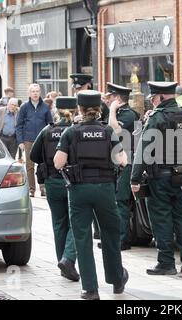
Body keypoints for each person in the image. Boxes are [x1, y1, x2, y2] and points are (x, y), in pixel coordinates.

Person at [53, 90, 129, 300]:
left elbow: (58, 163)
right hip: (105, 189)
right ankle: (116, 280)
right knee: (110, 235)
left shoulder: (71, 132)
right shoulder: (107, 131)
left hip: (78, 191)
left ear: (79, 108)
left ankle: (90, 289)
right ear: (98, 109)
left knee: (82, 238)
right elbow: (122, 160)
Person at [130, 81, 182, 276]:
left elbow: (144, 150)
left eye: (153, 98)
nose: (152, 102)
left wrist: (134, 179)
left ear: (160, 97)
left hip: (160, 178)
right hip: (181, 176)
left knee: (161, 219)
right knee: (181, 219)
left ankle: (166, 263)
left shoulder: (157, 118)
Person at [30, 96, 79, 282]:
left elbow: (34, 155)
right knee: (77, 222)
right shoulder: (75, 130)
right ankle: (68, 259)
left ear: (56, 111)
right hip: (73, 183)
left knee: (59, 224)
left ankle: (63, 263)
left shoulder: (47, 130)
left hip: (52, 182)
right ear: (75, 111)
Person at [107, 82, 140, 251]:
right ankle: (116, 237)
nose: (108, 99)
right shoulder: (119, 112)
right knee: (116, 201)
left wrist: (112, 110)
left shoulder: (127, 115)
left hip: (127, 163)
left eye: (111, 97)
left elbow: (116, 130)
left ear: (118, 99)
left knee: (121, 201)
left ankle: (123, 239)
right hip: (118, 161)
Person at [16, 83, 53, 198]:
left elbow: (50, 125)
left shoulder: (45, 107)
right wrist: (20, 141)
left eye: (37, 91)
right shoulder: (24, 107)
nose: (35, 93)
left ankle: (43, 188)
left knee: (43, 164)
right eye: (33, 91)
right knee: (30, 165)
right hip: (28, 140)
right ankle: (31, 189)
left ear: (40, 93)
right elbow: (19, 125)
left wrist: (49, 140)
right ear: (29, 93)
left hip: (42, 140)